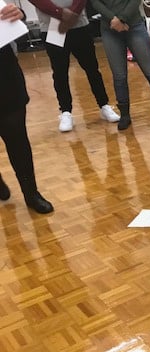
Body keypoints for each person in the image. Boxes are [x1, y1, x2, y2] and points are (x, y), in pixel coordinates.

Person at [29, 0, 120, 132]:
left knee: (92, 68)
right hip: (53, 26)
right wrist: (60, 13)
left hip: (79, 25)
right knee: (60, 72)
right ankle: (66, 112)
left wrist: (73, 13)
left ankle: (104, 105)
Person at [0, 3, 54, 214]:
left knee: (18, 141)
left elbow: (19, 37)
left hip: (5, 80)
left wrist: (17, 16)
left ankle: (31, 193)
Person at [89, 0, 150, 130]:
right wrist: (113, 20)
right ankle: (125, 115)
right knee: (119, 75)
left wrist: (122, 18)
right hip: (109, 28)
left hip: (134, 25)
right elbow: (95, 2)